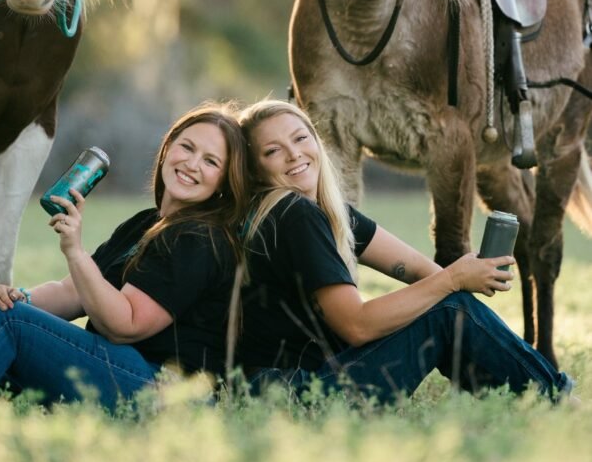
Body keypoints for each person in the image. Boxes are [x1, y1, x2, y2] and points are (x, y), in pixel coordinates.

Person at [0, 103, 248, 411]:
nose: (192, 164)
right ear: (167, 149)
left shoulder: (199, 239)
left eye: (211, 161)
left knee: (11, 325)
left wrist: (74, 250)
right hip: (121, 370)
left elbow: (125, 325)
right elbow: (72, 292)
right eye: (187, 147)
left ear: (223, 180)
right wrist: (16, 299)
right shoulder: (145, 224)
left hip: (164, 390)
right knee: (6, 322)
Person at [236, 99, 574, 405]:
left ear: (315, 141)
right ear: (255, 171)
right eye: (273, 151)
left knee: (452, 306)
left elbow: (416, 268)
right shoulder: (294, 214)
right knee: (450, 311)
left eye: (300, 138)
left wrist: (463, 283)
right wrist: (454, 280)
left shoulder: (324, 212)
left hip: (305, 381)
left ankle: (522, 397)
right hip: (295, 392)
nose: (294, 154)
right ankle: (555, 401)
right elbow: (356, 325)